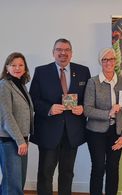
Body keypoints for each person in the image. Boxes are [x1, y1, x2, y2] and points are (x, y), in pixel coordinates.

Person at [29, 38, 91, 195]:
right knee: (45, 173)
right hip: (49, 131)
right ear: (53, 52)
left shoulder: (83, 71)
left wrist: (83, 108)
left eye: (67, 50)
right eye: (59, 49)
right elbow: (33, 100)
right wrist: (49, 109)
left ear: (71, 53)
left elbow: (88, 99)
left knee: (67, 173)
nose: (63, 53)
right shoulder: (41, 71)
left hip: (72, 132)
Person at [84, 48, 122, 195]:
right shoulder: (93, 82)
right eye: (105, 60)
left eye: (111, 59)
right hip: (95, 132)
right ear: (101, 62)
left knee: (113, 168)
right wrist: (108, 113)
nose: (108, 62)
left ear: (115, 61)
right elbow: (87, 110)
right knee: (98, 167)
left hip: (116, 132)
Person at [0, 52, 34, 195]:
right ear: (7, 68)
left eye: (20, 65)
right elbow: (6, 116)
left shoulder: (22, 85)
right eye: (13, 65)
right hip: (10, 140)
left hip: (22, 139)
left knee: (17, 182)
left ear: (25, 68)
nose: (17, 68)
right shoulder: (4, 85)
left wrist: (25, 139)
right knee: (13, 185)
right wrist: (20, 141)